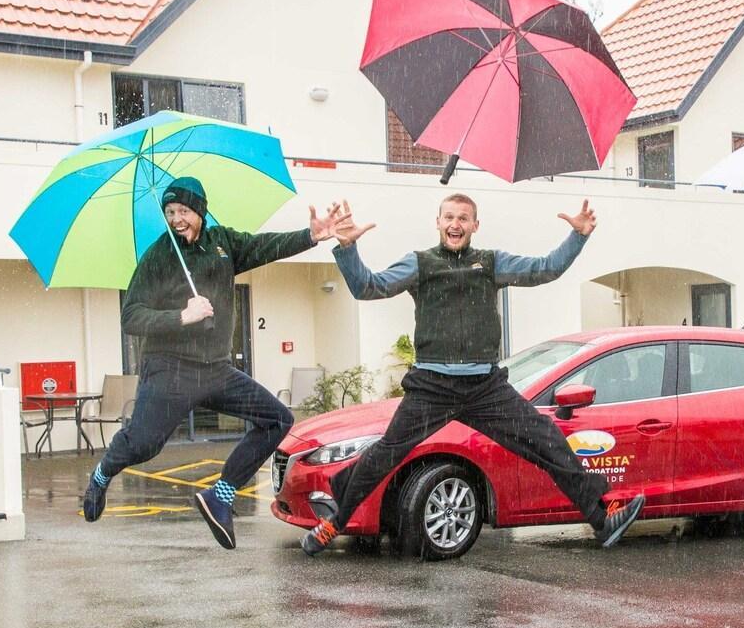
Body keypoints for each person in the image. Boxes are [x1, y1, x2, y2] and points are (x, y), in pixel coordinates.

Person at [299, 192, 646, 556]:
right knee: (385, 452)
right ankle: (333, 522)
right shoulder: (420, 263)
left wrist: (578, 237)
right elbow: (367, 287)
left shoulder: (491, 263)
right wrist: (348, 248)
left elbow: (546, 269)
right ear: (438, 222)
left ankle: (602, 517)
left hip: (485, 387)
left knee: (545, 438)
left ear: (475, 226)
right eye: (449, 217)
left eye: (463, 218)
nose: (455, 224)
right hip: (432, 386)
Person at [81, 178, 346, 547]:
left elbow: (265, 246)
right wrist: (180, 316)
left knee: (277, 418)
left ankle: (221, 494)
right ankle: (101, 474)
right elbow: (131, 316)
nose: (177, 220)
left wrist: (311, 236)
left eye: (184, 211)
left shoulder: (223, 243)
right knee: (144, 445)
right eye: (170, 212)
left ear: (200, 210)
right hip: (169, 368)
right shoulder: (159, 255)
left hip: (215, 369)